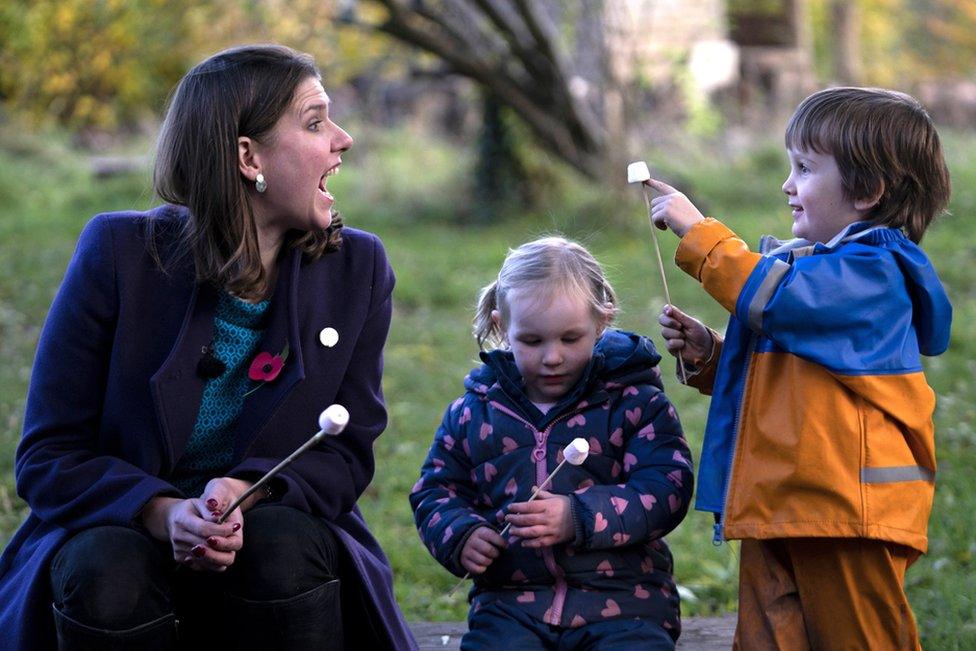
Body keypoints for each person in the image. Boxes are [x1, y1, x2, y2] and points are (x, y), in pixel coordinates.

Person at [0, 45, 416, 650]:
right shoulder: (118, 255)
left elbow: (344, 454)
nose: (343, 139)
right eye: (315, 121)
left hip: (269, 536)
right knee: (105, 569)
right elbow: (48, 454)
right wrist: (162, 511)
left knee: (282, 547)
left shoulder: (359, 270)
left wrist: (248, 492)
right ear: (249, 156)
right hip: (120, 531)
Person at [651, 87, 952, 648]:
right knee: (766, 640)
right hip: (784, 499)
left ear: (868, 190)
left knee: (859, 639)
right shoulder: (817, 270)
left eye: (805, 168)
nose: (788, 185)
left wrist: (701, 236)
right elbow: (791, 372)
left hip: (845, 509)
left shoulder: (874, 273)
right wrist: (712, 355)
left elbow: (782, 301)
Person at [410, 236, 694, 650]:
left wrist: (577, 516)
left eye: (570, 338)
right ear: (500, 327)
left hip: (624, 606)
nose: (552, 357)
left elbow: (667, 488)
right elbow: (436, 490)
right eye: (532, 341)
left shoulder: (634, 402)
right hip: (511, 607)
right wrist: (461, 534)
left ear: (601, 322)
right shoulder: (475, 413)